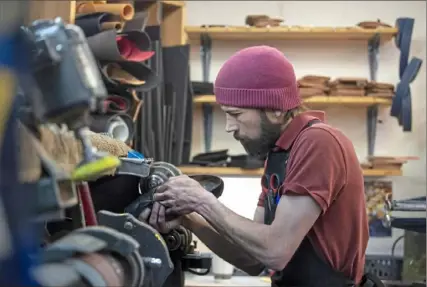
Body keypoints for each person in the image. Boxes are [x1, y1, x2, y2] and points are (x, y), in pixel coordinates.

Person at [141, 46, 371, 286]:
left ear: (276, 109)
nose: (230, 127)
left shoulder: (318, 142)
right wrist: (189, 219)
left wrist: (203, 201)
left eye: (236, 114)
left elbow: (276, 251)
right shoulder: (279, 156)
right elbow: (255, 258)